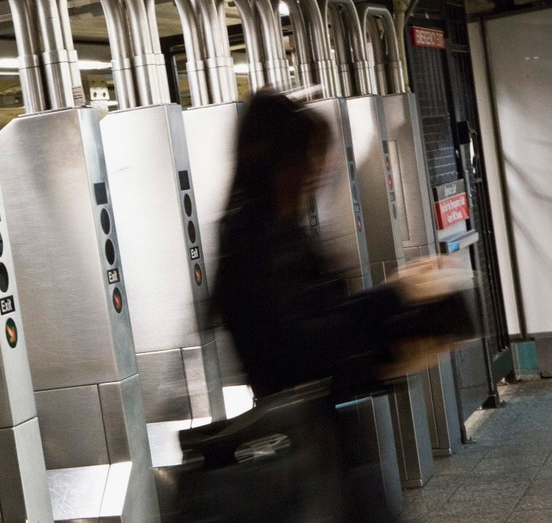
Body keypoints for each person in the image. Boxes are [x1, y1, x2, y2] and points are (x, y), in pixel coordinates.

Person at [182, 90, 475, 521]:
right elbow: (297, 348)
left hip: (326, 443)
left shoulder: (277, 230)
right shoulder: (253, 238)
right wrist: (396, 295)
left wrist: (398, 339)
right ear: (279, 162)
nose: (323, 168)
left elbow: (322, 333)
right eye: (312, 155)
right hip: (306, 456)